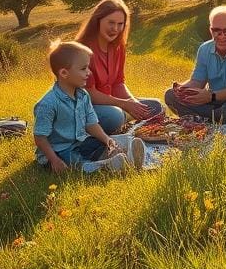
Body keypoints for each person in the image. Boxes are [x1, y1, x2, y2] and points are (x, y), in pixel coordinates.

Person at [34, 40, 146, 173]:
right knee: (76, 160)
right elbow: (40, 137)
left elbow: (91, 124)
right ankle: (104, 166)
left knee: (104, 142)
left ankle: (121, 152)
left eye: (88, 67)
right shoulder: (48, 103)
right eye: (83, 69)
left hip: (80, 142)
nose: (89, 72)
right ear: (64, 73)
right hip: (59, 151)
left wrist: (106, 139)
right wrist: (54, 160)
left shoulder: (83, 95)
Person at [75, 0, 163, 134]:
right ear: (98, 21)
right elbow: (89, 94)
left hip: (112, 103)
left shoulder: (118, 47)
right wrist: (124, 104)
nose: (115, 29)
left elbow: (118, 83)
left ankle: (126, 122)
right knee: (114, 116)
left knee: (156, 107)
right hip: (84, 108)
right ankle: (116, 124)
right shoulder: (82, 49)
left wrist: (133, 102)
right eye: (111, 23)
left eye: (120, 24)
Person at [164, 5, 226, 123]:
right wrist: (182, 89)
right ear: (211, 29)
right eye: (216, 30)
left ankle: (203, 118)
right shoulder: (204, 49)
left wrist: (211, 96)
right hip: (214, 102)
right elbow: (197, 82)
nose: (221, 36)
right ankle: (212, 118)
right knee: (171, 95)